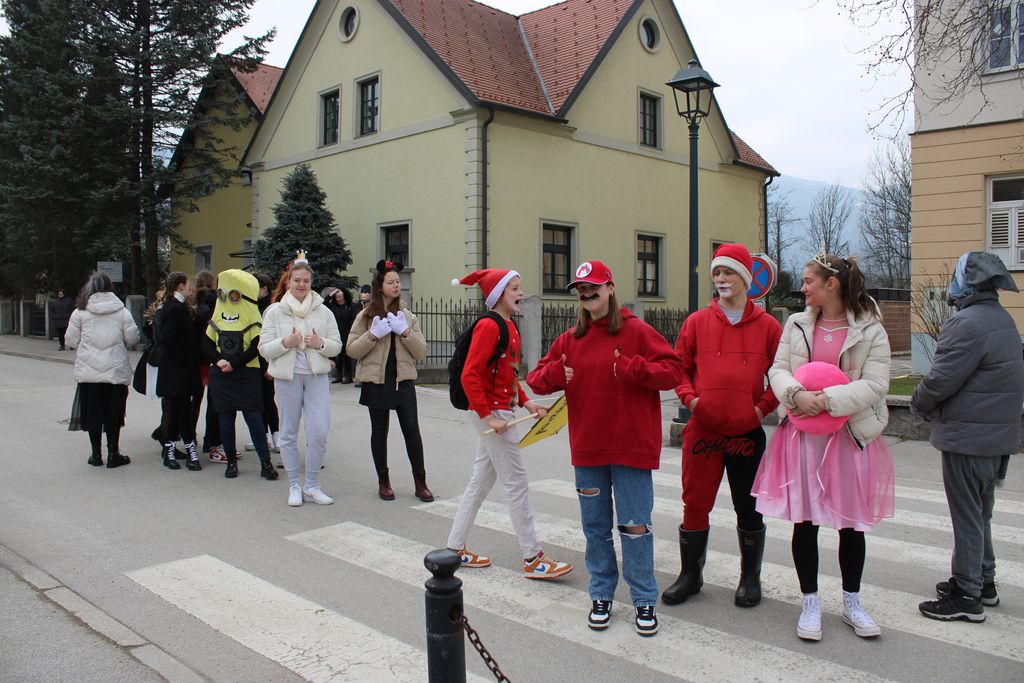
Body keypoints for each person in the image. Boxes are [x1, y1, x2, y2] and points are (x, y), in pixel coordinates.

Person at [528, 260, 684, 637]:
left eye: (593, 286)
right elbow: (535, 379)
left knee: (634, 528)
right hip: (588, 450)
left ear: (610, 288)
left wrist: (635, 369)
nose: (587, 294)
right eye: (581, 289)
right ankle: (601, 595)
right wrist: (554, 375)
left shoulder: (637, 331)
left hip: (631, 449)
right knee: (596, 529)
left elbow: (674, 371)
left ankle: (644, 598)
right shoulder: (570, 339)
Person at [752, 250, 895, 641]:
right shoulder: (797, 324)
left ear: (831, 284)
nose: (803, 288)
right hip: (803, 436)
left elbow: (876, 384)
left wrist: (828, 401)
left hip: (848, 437)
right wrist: (797, 395)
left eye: (808, 281)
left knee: (851, 524)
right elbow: (778, 369)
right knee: (805, 520)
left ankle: (852, 603)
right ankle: (810, 603)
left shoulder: (871, 328)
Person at [662, 244, 782, 609]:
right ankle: (691, 575)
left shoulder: (769, 327)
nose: (721, 278)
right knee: (695, 503)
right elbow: (679, 369)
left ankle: (750, 578)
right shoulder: (696, 322)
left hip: (746, 433)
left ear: (745, 277)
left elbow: (781, 375)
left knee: (749, 506)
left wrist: (761, 410)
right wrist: (692, 401)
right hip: (704, 432)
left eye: (728, 271)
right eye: (717, 272)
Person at [912, 252, 1024, 623]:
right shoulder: (1002, 319)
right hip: (995, 438)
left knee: (967, 518)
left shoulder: (967, 323)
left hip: (968, 438)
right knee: (980, 514)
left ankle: (967, 593)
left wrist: (918, 403)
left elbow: (940, 380)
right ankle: (984, 582)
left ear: (968, 281)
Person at [446, 268, 572, 583]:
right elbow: (470, 374)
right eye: (514, 288)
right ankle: (533, 557)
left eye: (519, 287)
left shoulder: (509, 326)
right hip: (493, 414)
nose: (521, 293)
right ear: (498, 294)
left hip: (500, 411)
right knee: (516, 483)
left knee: (479, 483)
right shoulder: (490, 326)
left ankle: (455, 549)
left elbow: (508, 375)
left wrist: (527, 403)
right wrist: (488, 416)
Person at [346, 260, 434, 501]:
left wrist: (405, 332)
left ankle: (420, 482)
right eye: (391, 282)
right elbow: (351, 349)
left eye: (398, 282)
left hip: (402, 380)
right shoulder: (366, 315)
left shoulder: (407, 315)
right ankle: (383, 481)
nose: (396, 285)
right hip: (376, 381)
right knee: (379, 432)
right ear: (380, 286)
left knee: (412, 431)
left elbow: (421, 351)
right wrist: (373, 335)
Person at [259, 253, 342, 506]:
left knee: (318, 432)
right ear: (289, 282)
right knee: (288, 432)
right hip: (288, 378)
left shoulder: (324, 311)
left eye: (306, 280)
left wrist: (320, 343)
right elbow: (264, 348)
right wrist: (286, 342)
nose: (302, 284)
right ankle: (294, 485)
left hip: (316, 377)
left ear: (311, 282)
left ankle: (312, 485)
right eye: (297, 280)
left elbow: (337, 346)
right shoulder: (275, 312)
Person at [204, 269, 279, 481]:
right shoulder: (218, 315)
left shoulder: (253, 317)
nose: (227, 298)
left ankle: (265, 463)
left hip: (246, 374)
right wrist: (218, 360)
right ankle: (231, 463)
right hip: (222, 375)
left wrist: (234, 363)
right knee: (226, 420)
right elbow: (207, 342)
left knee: (254, 419)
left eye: (233, 294)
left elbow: (257, 346)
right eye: (222, 294)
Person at [66, 273, 141, 467]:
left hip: (89, 373)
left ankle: (96, 455)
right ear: (110, 287)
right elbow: (132, 338)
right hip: (115, 371)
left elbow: (71, 340)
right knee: (114, 414)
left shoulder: (80, 312)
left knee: (93, 413)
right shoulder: (122, 311)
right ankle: (114, 454)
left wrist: (86, 347)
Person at [156, 272, 203, 471]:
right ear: (181, 285)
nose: (190, 287)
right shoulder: (175, 307)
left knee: (178, 412)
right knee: (178, 412)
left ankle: (175, 451)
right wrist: (184, 358)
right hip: (177, 371)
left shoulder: (174, 306)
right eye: (187, 284)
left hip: (176, 370)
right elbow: (168, 338)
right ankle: (179, 451)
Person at [194, 270, 225, 463]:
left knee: (193, 402)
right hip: (213, 357)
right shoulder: (218, 302)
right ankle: (211, 441)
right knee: (214, 403)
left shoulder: (193, 303)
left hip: (195, 359)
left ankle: (190, 438)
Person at [255, 272, 281, 460]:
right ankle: (262, 435)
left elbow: (272, 339)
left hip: (267, 361)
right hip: (252, 362)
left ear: (264, 289)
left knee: (268, 399)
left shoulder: (271, 309)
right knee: (257, 401)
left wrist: (268, 366)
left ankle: (276, 433)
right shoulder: (250, 307)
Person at [329, 288, 358, 383]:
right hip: (337, 333)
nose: (339, 299)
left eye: (340, 297)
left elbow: (354, 319)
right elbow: (324, 304)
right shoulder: (333, 306)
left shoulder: (351, 306)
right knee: (338, 355)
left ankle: (348, 376)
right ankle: (339, 376)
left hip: (347, 333)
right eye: (337, 297)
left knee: (346, 355)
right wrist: (331, 294)